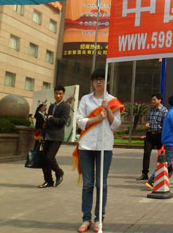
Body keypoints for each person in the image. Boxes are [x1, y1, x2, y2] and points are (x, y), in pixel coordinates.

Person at [74, 69, 124, 233]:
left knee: (101, 184)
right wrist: (97, 118)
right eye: (95, 80)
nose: (98, 82)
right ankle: (86, 218)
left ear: (107, 81)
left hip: (105, 147)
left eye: (101, 79)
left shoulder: (112, 101)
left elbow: (116, 125)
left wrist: (108, 110)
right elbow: (79, 121)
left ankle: (99, 219)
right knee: (88, 184)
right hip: (86, 146)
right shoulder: (85, 99)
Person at [38, 86, 70, 188]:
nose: (58, 96)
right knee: (44, 160)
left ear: (63, 94)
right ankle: (48, 181)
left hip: (57, 137)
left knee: (49, 157)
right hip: (47, 136)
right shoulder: (52, 106)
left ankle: (59, 172)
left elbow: (63, 121)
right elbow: (47, 122)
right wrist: (42, 134)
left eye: (60, 94)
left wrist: (51, 118)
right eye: (56, 93)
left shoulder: (65, 106)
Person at [137, 93, 168, 181]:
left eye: (154, 99)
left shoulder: (164, 111)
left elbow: (166, 124)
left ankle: (167, 169)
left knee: (162, 154)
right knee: (146, 153)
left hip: (159, 135)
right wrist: (147, 124)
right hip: (150, 134)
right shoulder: (151, 110)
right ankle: (145, 173)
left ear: (160, 100)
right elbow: (148, 120)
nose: (153, 101)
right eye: (152, 100)